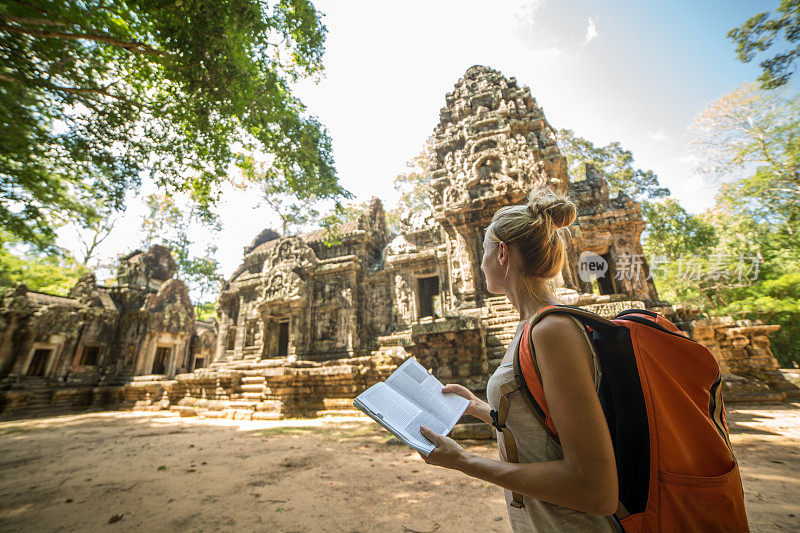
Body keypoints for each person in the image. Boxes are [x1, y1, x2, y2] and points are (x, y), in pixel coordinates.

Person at [418, 186, 619, 532]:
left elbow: (597, 490)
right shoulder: (528, 326)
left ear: (501, 253)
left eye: (481, 252)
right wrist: (480, 408)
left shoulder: (551, 330)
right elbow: (542, 424)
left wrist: (464, 461)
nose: (477, 264)